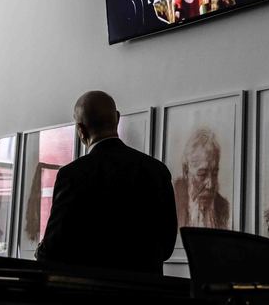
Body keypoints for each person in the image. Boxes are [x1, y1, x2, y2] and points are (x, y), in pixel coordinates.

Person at [36, 91, 177, 273]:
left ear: (81, 129)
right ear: (117, 119)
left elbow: (54, 247)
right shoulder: (157, 170)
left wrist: (41, 251)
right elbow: (166, 247)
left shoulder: (73, 175)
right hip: (147, 295)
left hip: (93, 293)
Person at [173, 129, 230, 229]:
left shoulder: (223, 208)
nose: (210, 185)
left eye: (214, 174)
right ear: (186, 171)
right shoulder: (172, 199)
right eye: (202, 175)